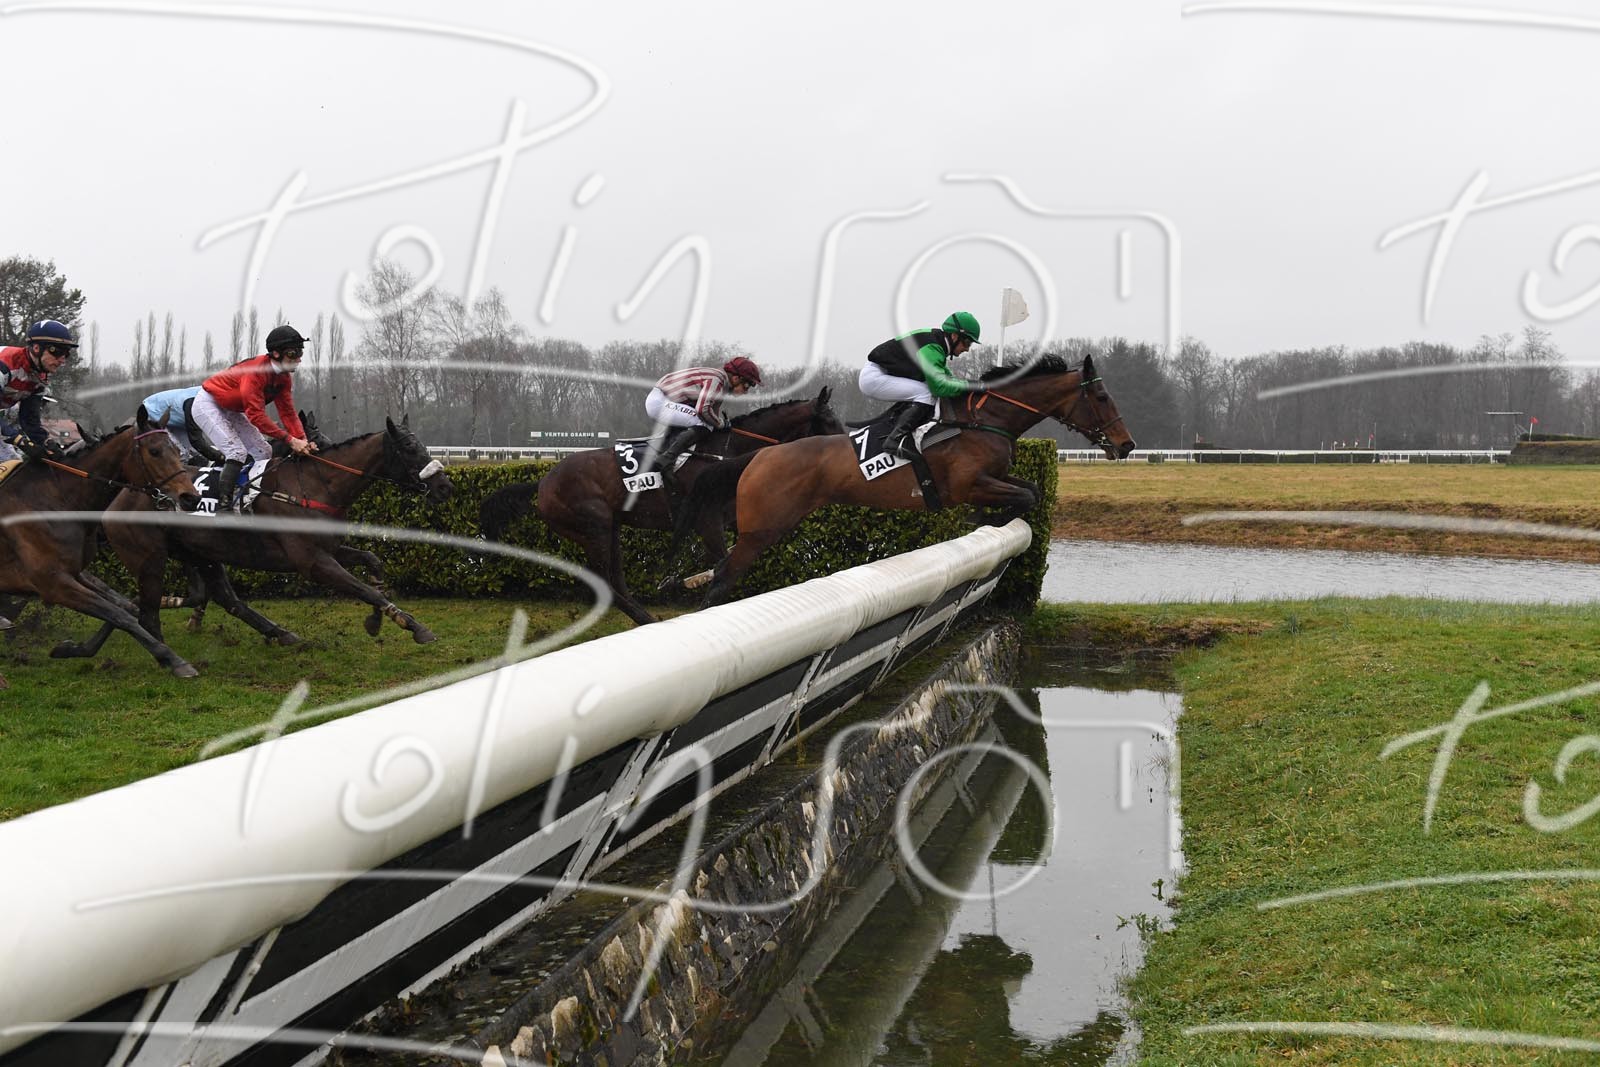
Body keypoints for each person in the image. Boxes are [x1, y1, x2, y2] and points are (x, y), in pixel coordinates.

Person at [190, 323, 319, 514]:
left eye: (300, 352)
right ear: (276, 353)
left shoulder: (283, 378)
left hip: (231, 409)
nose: (298, 358)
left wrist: (303, 441)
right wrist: (290, 440)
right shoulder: (256, 373)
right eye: (293, 353)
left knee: (264, 451)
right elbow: (256, 416)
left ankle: (249, 499)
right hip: (208, 404)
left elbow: (288, 413)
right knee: (236, 452)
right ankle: (224, 508)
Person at [858, 311, 986, 459]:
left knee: (924, 390)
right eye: (967, 343)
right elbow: (939, 387)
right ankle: (894, 440)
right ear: (954, 336)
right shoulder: (932, 347)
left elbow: (947, 378)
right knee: (926, 393)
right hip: (874, 377)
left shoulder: (937, 343)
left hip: (882, 373)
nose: (967, 349)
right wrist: (972, 386)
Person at [644, 356, 762, 484]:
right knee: (704, 423)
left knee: (706, 423)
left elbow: (712, 413)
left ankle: (667, 458)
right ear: (736, 378)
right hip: (659, 402)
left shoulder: (722, 383)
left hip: (666, 400)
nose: (745, 392)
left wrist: (720, 424)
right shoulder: (717, 380)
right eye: (746, 386)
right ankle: (666, 460)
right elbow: (703, 410)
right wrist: (721, 424)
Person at [0, 320, 76, 463]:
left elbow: (29, 420)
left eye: (66, 354)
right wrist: (18, 440)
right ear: (36, 348)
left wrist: (46, 442)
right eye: (57, 351)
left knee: (13, 463)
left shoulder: (39, 379)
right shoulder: (4, 364)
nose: (62, 360)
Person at [140, 385, 224, 463]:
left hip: (176, 416)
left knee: (195, 453)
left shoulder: (217, 397)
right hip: (154, 412)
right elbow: (196, 440)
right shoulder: (196, 403)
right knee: (180, 453)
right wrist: (220, 457)